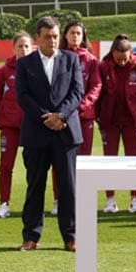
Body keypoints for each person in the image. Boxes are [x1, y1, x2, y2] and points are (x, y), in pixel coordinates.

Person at [15, 16, 84, 251]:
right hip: (36, 132)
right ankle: (31, 236)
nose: (53, 41)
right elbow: (23, 96)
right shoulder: (25, 63)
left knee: (69, 187)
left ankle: (71, 237)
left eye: (55, 36)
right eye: (48, 37)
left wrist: (60, 116)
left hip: (65, 132)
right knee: (35, 186)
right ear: (38, 38)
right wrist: (46, 117)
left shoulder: (72, 59)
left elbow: (77, 92)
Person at [97, 34, 136, 213]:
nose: (121, 62)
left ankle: (135, 199)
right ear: (112, 53)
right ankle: (110, 200)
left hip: (131, 121)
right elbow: (98, 92)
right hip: (109, 121)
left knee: (132, 161)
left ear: (131, 53)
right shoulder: (103, 67)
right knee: (109, 161)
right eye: (118, 58)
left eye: (124, 59)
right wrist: (99, 116)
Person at [52, 19, 102, 215]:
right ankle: (58, 199)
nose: (75, 36)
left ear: (83, 36)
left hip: (83, 116)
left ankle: (81, 200)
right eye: (71, 32)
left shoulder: (90, 60)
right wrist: (63, 110)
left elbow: (96, 87)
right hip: (62, 117)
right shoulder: (58, 56)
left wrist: (82, 106)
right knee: (59, 160)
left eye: (78, 33)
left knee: (83, 161)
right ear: (65, 35)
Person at [0, 31, 31, 219]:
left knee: (35, 168)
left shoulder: (39, 69)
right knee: (6, 166)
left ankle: (34, 205)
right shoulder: (4, 71)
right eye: (20, 46)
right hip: (10, 126)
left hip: (32, 126)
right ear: (13, 48)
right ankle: (3, 204)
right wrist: (5, 116)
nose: (23, 50)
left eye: (26, 46)